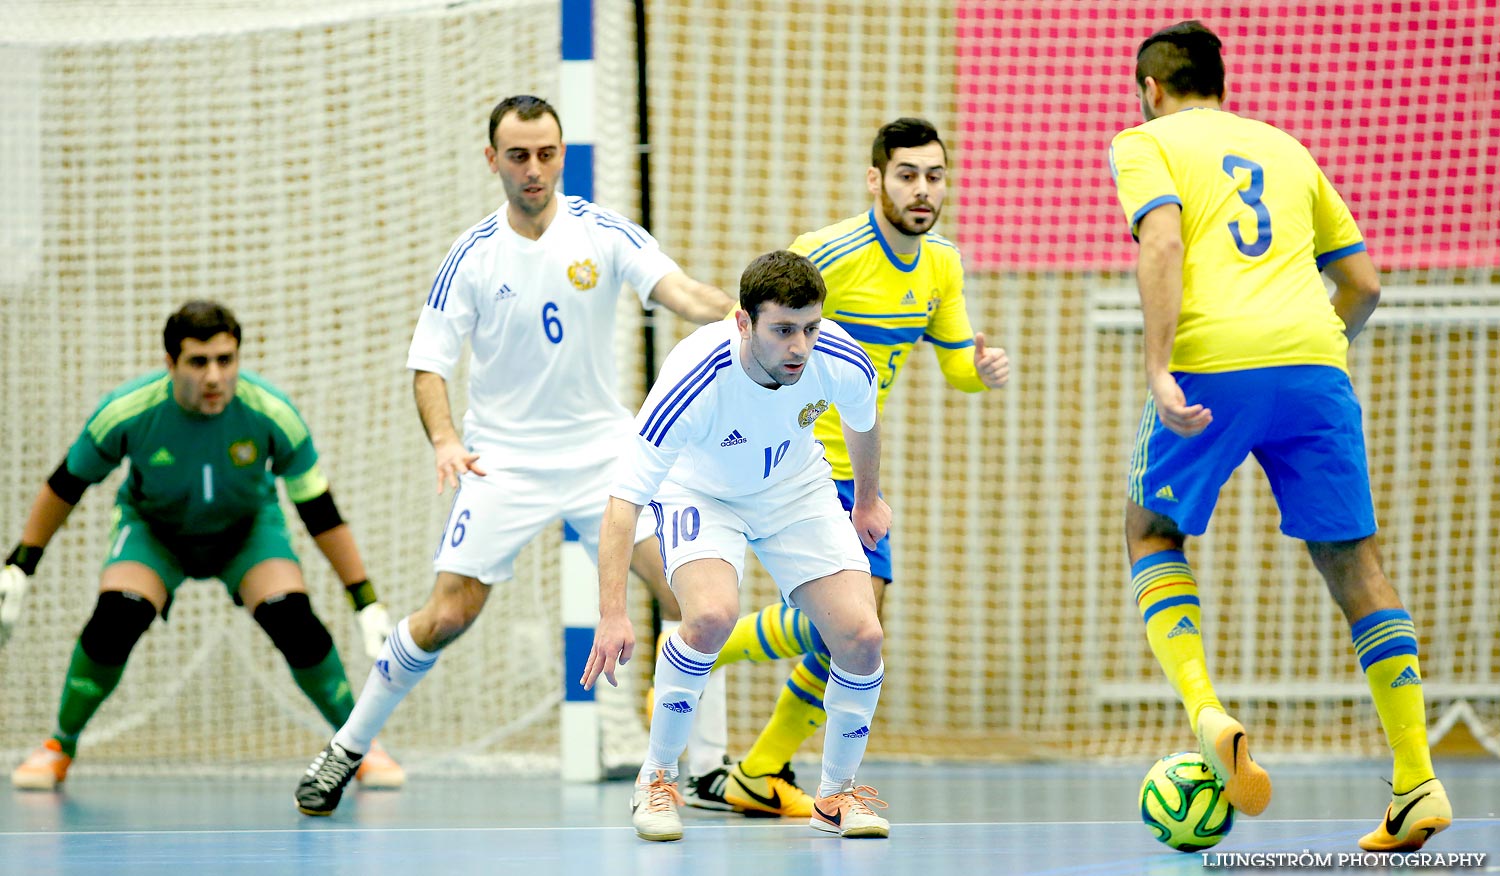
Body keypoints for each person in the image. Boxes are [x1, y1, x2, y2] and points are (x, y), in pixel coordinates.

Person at [292, 94, 734, 816]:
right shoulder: (471, 256)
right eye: (520, 155)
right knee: (446, 615)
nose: (535, 169)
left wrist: (738, 311)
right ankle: (347, 748)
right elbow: (429, 364)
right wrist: (444, 439)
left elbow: (679, 289)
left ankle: (708, 770)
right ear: (492, 159)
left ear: (563, 155)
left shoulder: (602, 230)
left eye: (547, 153)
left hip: (605, 458)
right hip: (505, 462)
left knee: (695, 599)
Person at [1108, 20, 1449, 852]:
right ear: (1223, 82)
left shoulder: (1144, 141)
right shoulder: (1288, 149)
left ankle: (1206, 709)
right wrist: (1317, 352)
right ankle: (1417, 778)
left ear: (1152, 88)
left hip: (1212, 364)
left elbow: (1161, 240)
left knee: (1150, 529)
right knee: (1355, 562)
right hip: (1313, 363)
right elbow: (1363, 284)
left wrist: (1160, 367)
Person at [680, 117, 1010, 818]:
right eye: (907, 175)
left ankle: (747, 744)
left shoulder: (942, 264)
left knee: (853, 628)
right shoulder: (829, 254)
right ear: (875, 180)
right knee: (857, 625)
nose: (923, 190)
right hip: (799, 459)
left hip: (858, 467)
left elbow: (955, 364)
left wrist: (980, 371)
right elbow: (760, 335)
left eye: (935, 175)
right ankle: (719, 687)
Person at [0, 301, 404, 791]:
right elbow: (66, 485)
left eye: (226, 360)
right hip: (156, 533)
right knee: (115, 620)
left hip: (247, 533)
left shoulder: (273, 415)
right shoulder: (127, 412)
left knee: (295, 622)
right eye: (198, 362)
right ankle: (59, 746)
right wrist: (20, 565)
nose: (214, 377)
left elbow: (320, 513)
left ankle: (358, 747)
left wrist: (364, 601)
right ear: (170, 364)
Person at [582, 249, 893, 843]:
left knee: (863, 636)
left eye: (809, 327)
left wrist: (869, 500)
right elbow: (622, 502)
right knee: (710, 617)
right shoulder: (694, 378)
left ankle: (835, 794)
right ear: (744, 323)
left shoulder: (839, 358)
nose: (799, 346)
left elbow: (862, 418)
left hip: (793, 488)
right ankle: (658, 778)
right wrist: (613, 612)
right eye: (782, 330)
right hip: (701, 492)